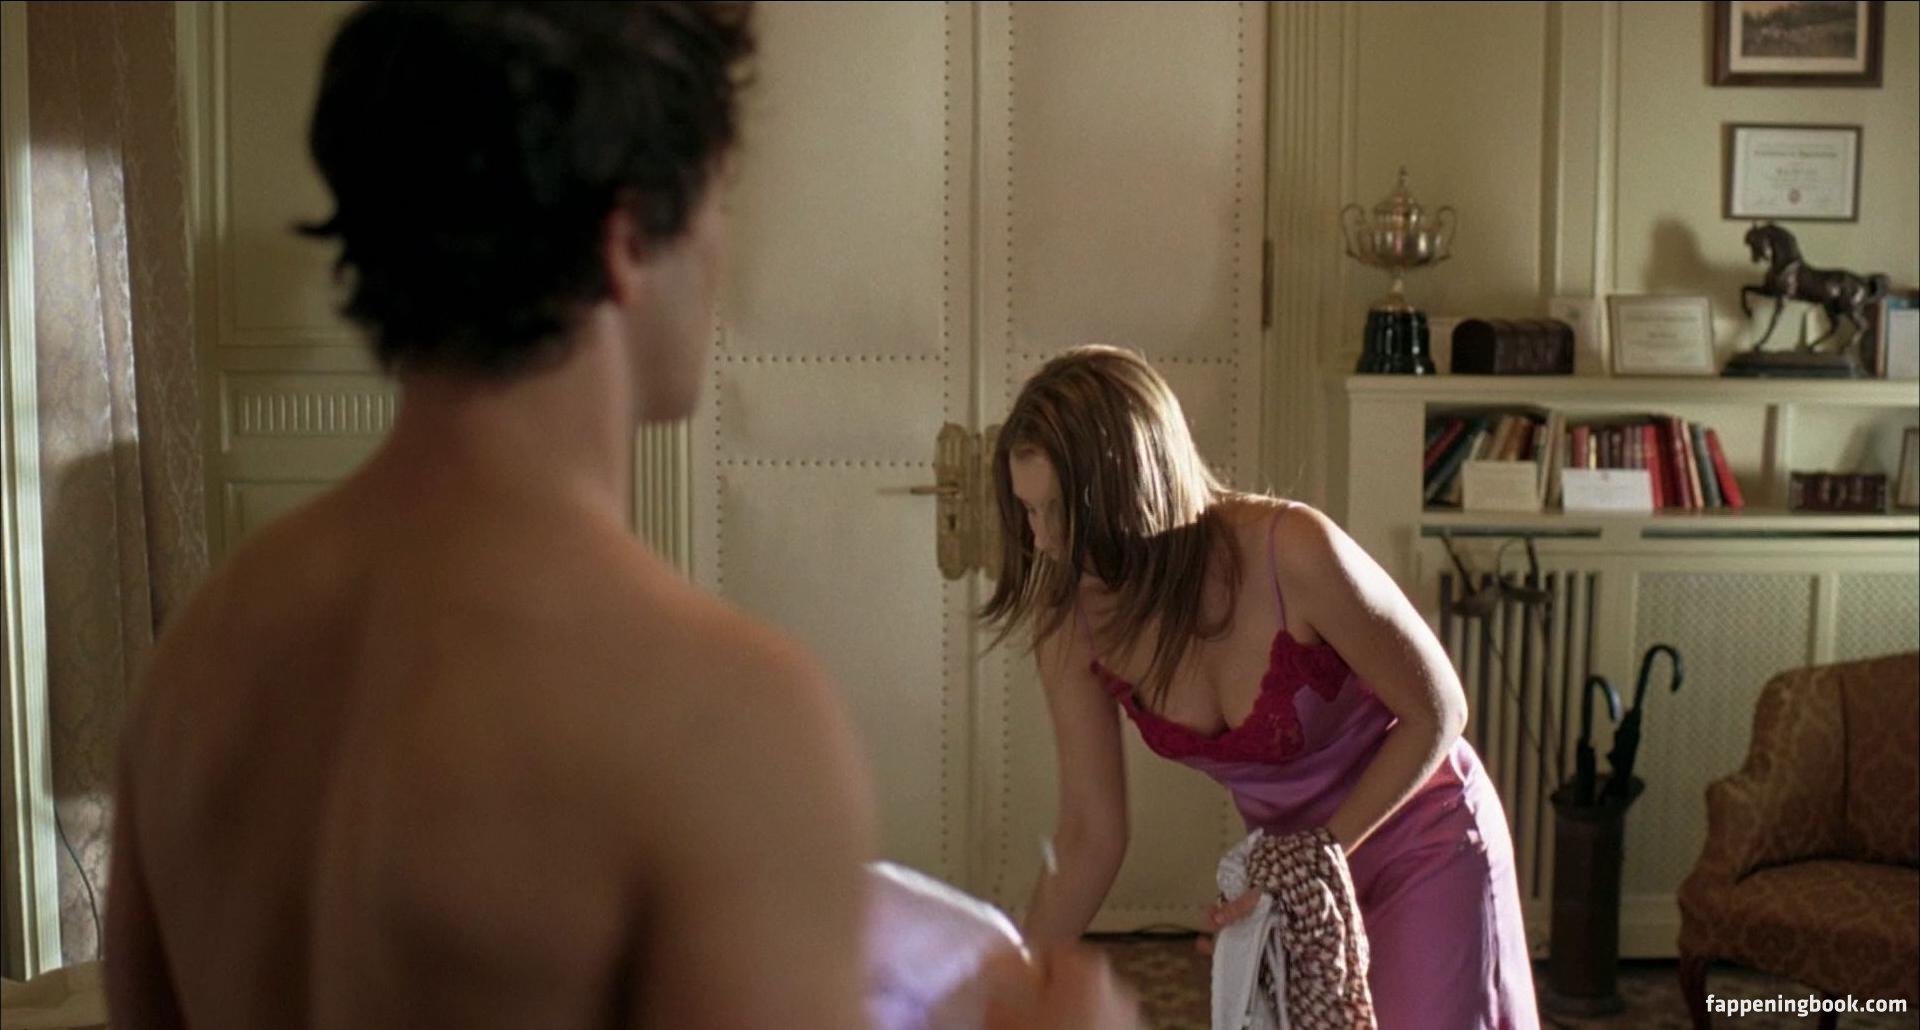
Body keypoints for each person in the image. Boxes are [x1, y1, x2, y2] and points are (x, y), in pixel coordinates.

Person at [103, 4, 1134, 1027]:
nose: (722, 249)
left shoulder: (197, 665)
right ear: (628, 239)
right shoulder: (721, 717)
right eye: (720, 204)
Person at [984, 345, 1539, 1029]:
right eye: (1029, 513)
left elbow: (1439, 710)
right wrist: (1014, 986)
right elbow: (1088, 835)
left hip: (1424, 843)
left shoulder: (1293, 549)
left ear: (1133, 489)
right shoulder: (1072, 629)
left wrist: (1309, 861)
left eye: (1060, 513)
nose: (1043, 543)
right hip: (1291, 883)